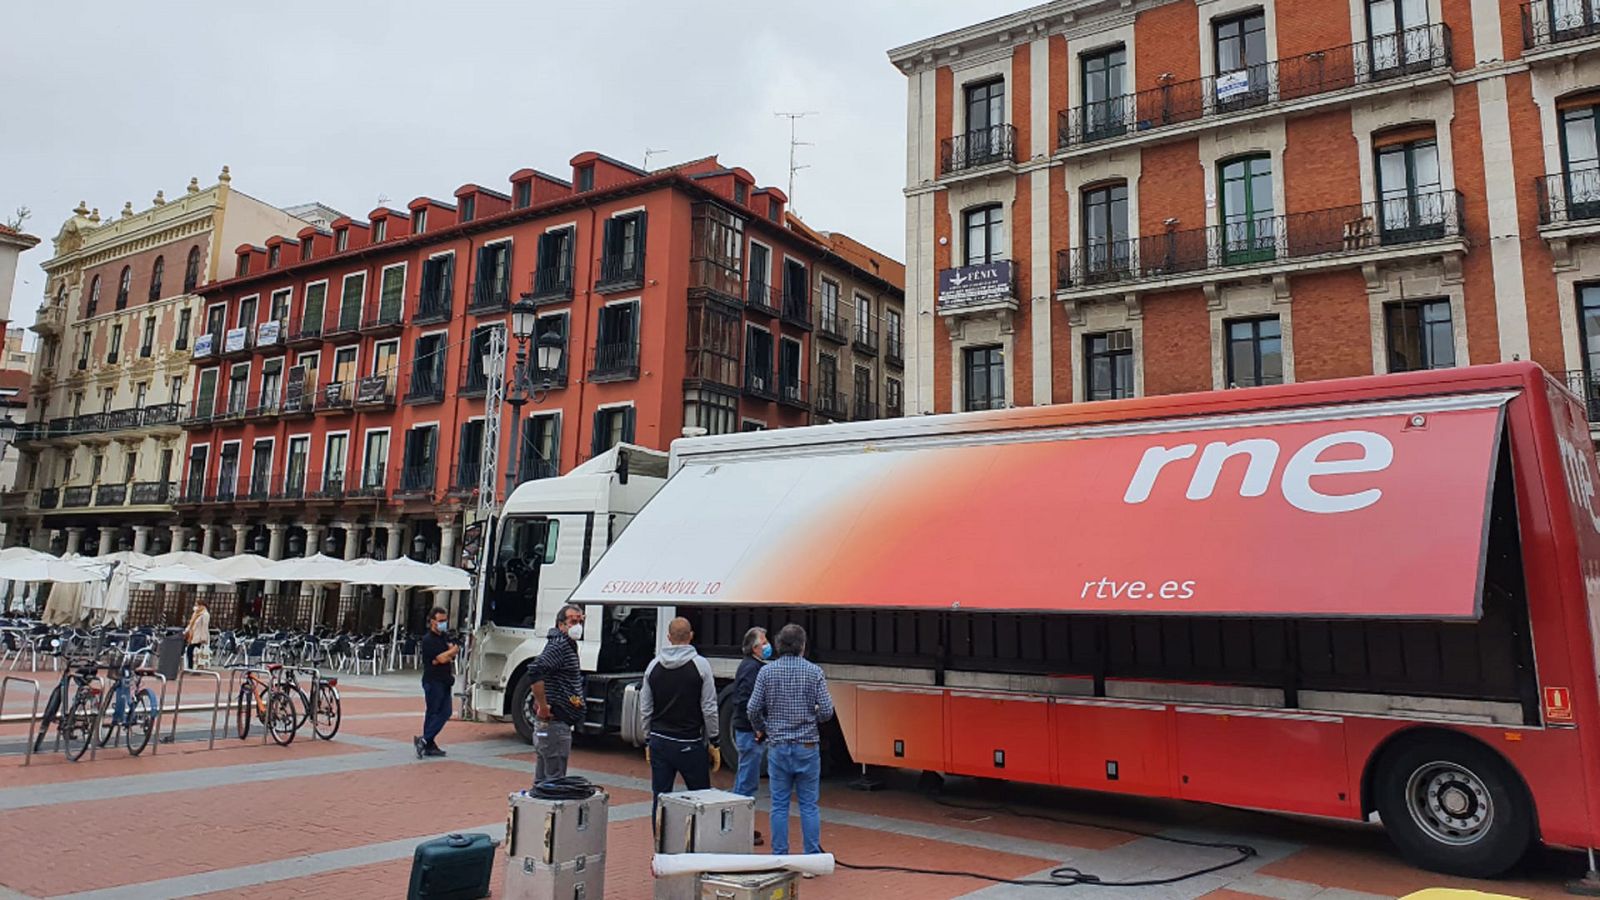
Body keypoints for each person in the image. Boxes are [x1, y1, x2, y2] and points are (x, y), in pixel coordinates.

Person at [747, 623, 833, 857]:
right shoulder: (814, 672)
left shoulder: (766, 672)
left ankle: (780, 855)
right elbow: (827, 711)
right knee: (809, 805)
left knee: (779, 805)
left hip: (778, 746)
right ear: (802, 646)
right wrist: (812, 714)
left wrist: (762, 728)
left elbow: (752, 708)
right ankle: (812, 856)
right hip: (807, 746)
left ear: (778, 645)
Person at [639, 617, 719, 817]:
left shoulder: (653, 666)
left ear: (668, 637)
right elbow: (709, 707)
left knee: (660, 797)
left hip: (660, 740)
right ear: (691, 636)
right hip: (689, 742)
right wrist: (714, 739)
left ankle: (660, 844)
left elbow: (645, 708)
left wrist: (648, 738)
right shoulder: (701, 666)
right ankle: (699, 845)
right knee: (701, 798)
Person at [527, 603, 586, 784]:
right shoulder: (559, 645)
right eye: (572, 621)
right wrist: (543, 706)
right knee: (554, 779)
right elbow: (535, 670)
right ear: (561, 624)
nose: (577, 626)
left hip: (556, 722)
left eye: (580, 621)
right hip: (555, 721)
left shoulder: (564, 645)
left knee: (544, 776)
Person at [730, 626, 770, 846]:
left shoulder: (751, 667)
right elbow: (746, 701)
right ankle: (739, 827)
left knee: (745, 779)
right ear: (754, 647)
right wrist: (757, 727)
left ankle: (738, 825)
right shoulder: (751, 669)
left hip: (747, 729)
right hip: (749, 731)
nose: (767, 645)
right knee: (747, 781)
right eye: (763, 642)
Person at [415, 607, 458, 758]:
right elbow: (439, 659)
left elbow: (448, 655)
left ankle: (427, 741)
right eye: (440, 621)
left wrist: (448, 654)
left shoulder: (445, 637)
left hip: (445, 679)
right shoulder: (428, 640)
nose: (443, 624)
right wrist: (449, 653)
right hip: (433, 681)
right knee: (435, 712)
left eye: (445, 621)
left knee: (444, 711)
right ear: (432, 621)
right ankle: (427, 741)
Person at [183, 596, 211, 669]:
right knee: (190, 651)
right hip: (193, 635)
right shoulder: (195, 614)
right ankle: (191, 666)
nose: (196, 606)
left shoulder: (205, 614)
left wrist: (204, 638)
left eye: (197, 605)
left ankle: (194, 666)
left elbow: (205, 626)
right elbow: (191, 623)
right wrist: (186, 631)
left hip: (199, 636)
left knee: (194, 651)